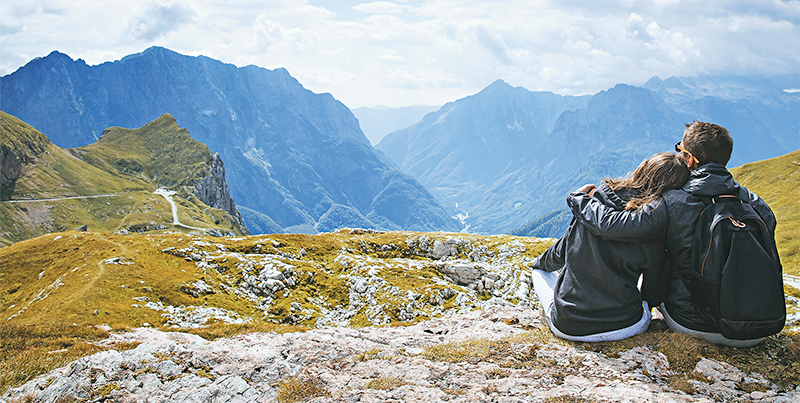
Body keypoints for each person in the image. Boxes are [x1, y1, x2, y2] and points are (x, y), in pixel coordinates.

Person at [566, 121, 779, 348]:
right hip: (759, 329)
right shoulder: (756, 204)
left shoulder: (674, 202)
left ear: (689, 159)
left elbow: (612, 226)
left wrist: (580, 199)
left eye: (680, 149)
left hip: (696, 324)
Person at [531, 152, 689, 342]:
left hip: (569, 327)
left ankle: (553, 313)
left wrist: (539, 264)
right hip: (624, 326)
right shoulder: (652, 228)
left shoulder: (591, 207)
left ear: (643, 170)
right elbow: (652, 295)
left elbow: (562, 250)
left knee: (539, 272)